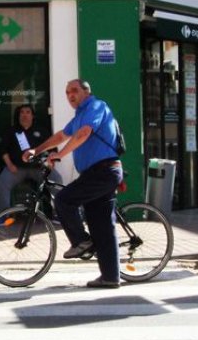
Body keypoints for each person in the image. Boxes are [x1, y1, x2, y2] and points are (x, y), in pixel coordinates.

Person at [24, 78, 124, 289]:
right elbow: (62, 135)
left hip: (104, 171)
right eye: (67, 92)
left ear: (86, 92)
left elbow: (84, 134)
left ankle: (81, 242)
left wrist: (60, 154)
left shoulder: (96, 106)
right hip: (96, 174)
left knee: (64, 199)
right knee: (102, 226)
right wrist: (38, 150)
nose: (70, 95)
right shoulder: (79, 115)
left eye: (74, 91)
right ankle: (110, 277)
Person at [0, 104, 62, 211]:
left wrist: (50, 164)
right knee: (2, 181)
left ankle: (59, 214)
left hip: (39, 168)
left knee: (56, 178)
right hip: (17, 169)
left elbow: (53, 150)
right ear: (18, 115)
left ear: (32, 115)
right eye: (22, 112)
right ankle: (4, 216)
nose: (25, 115)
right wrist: (10, 165)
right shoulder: (11, 131)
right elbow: (3, 151)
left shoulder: (42, 131)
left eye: (28, 112)